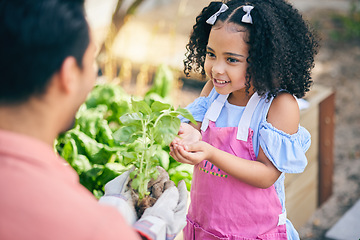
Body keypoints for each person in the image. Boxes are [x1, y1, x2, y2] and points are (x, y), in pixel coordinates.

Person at [0, 0, 187, 239]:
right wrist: (150, 230)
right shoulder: (84, 224)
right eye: (93, 65)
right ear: (68, 75)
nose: (94, 79)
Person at [169, 0, 319, 239]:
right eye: (211, 54)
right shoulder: (213, 92)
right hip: (205, 226)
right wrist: (186, 137)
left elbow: (266, 175)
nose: (217, 69)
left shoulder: (279, 106)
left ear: (263, 60)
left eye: (232, 60)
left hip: (254, 232)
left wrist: (210, 152)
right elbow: (195, 128)